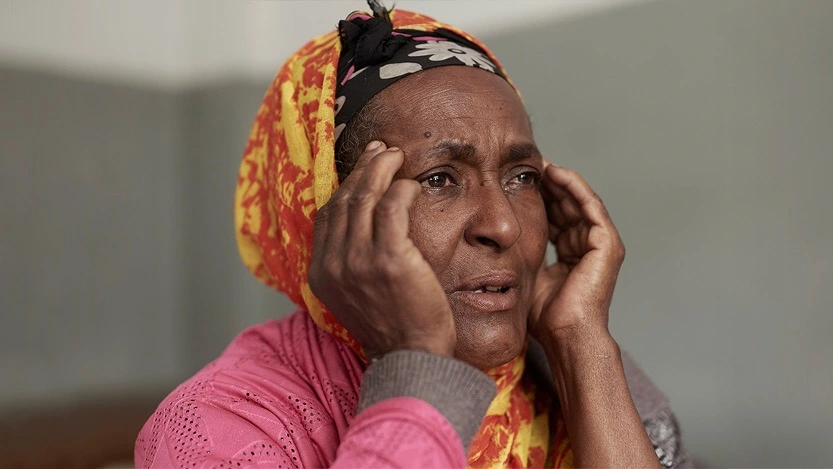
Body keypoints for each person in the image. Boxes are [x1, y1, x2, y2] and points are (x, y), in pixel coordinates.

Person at [135, 3, 689, 468]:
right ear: (325, 214)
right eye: (439, 179)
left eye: (521, 177)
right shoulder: (222, 428)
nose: (503, 225)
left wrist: (580, 344)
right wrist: (418, 359)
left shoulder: (568, 369)